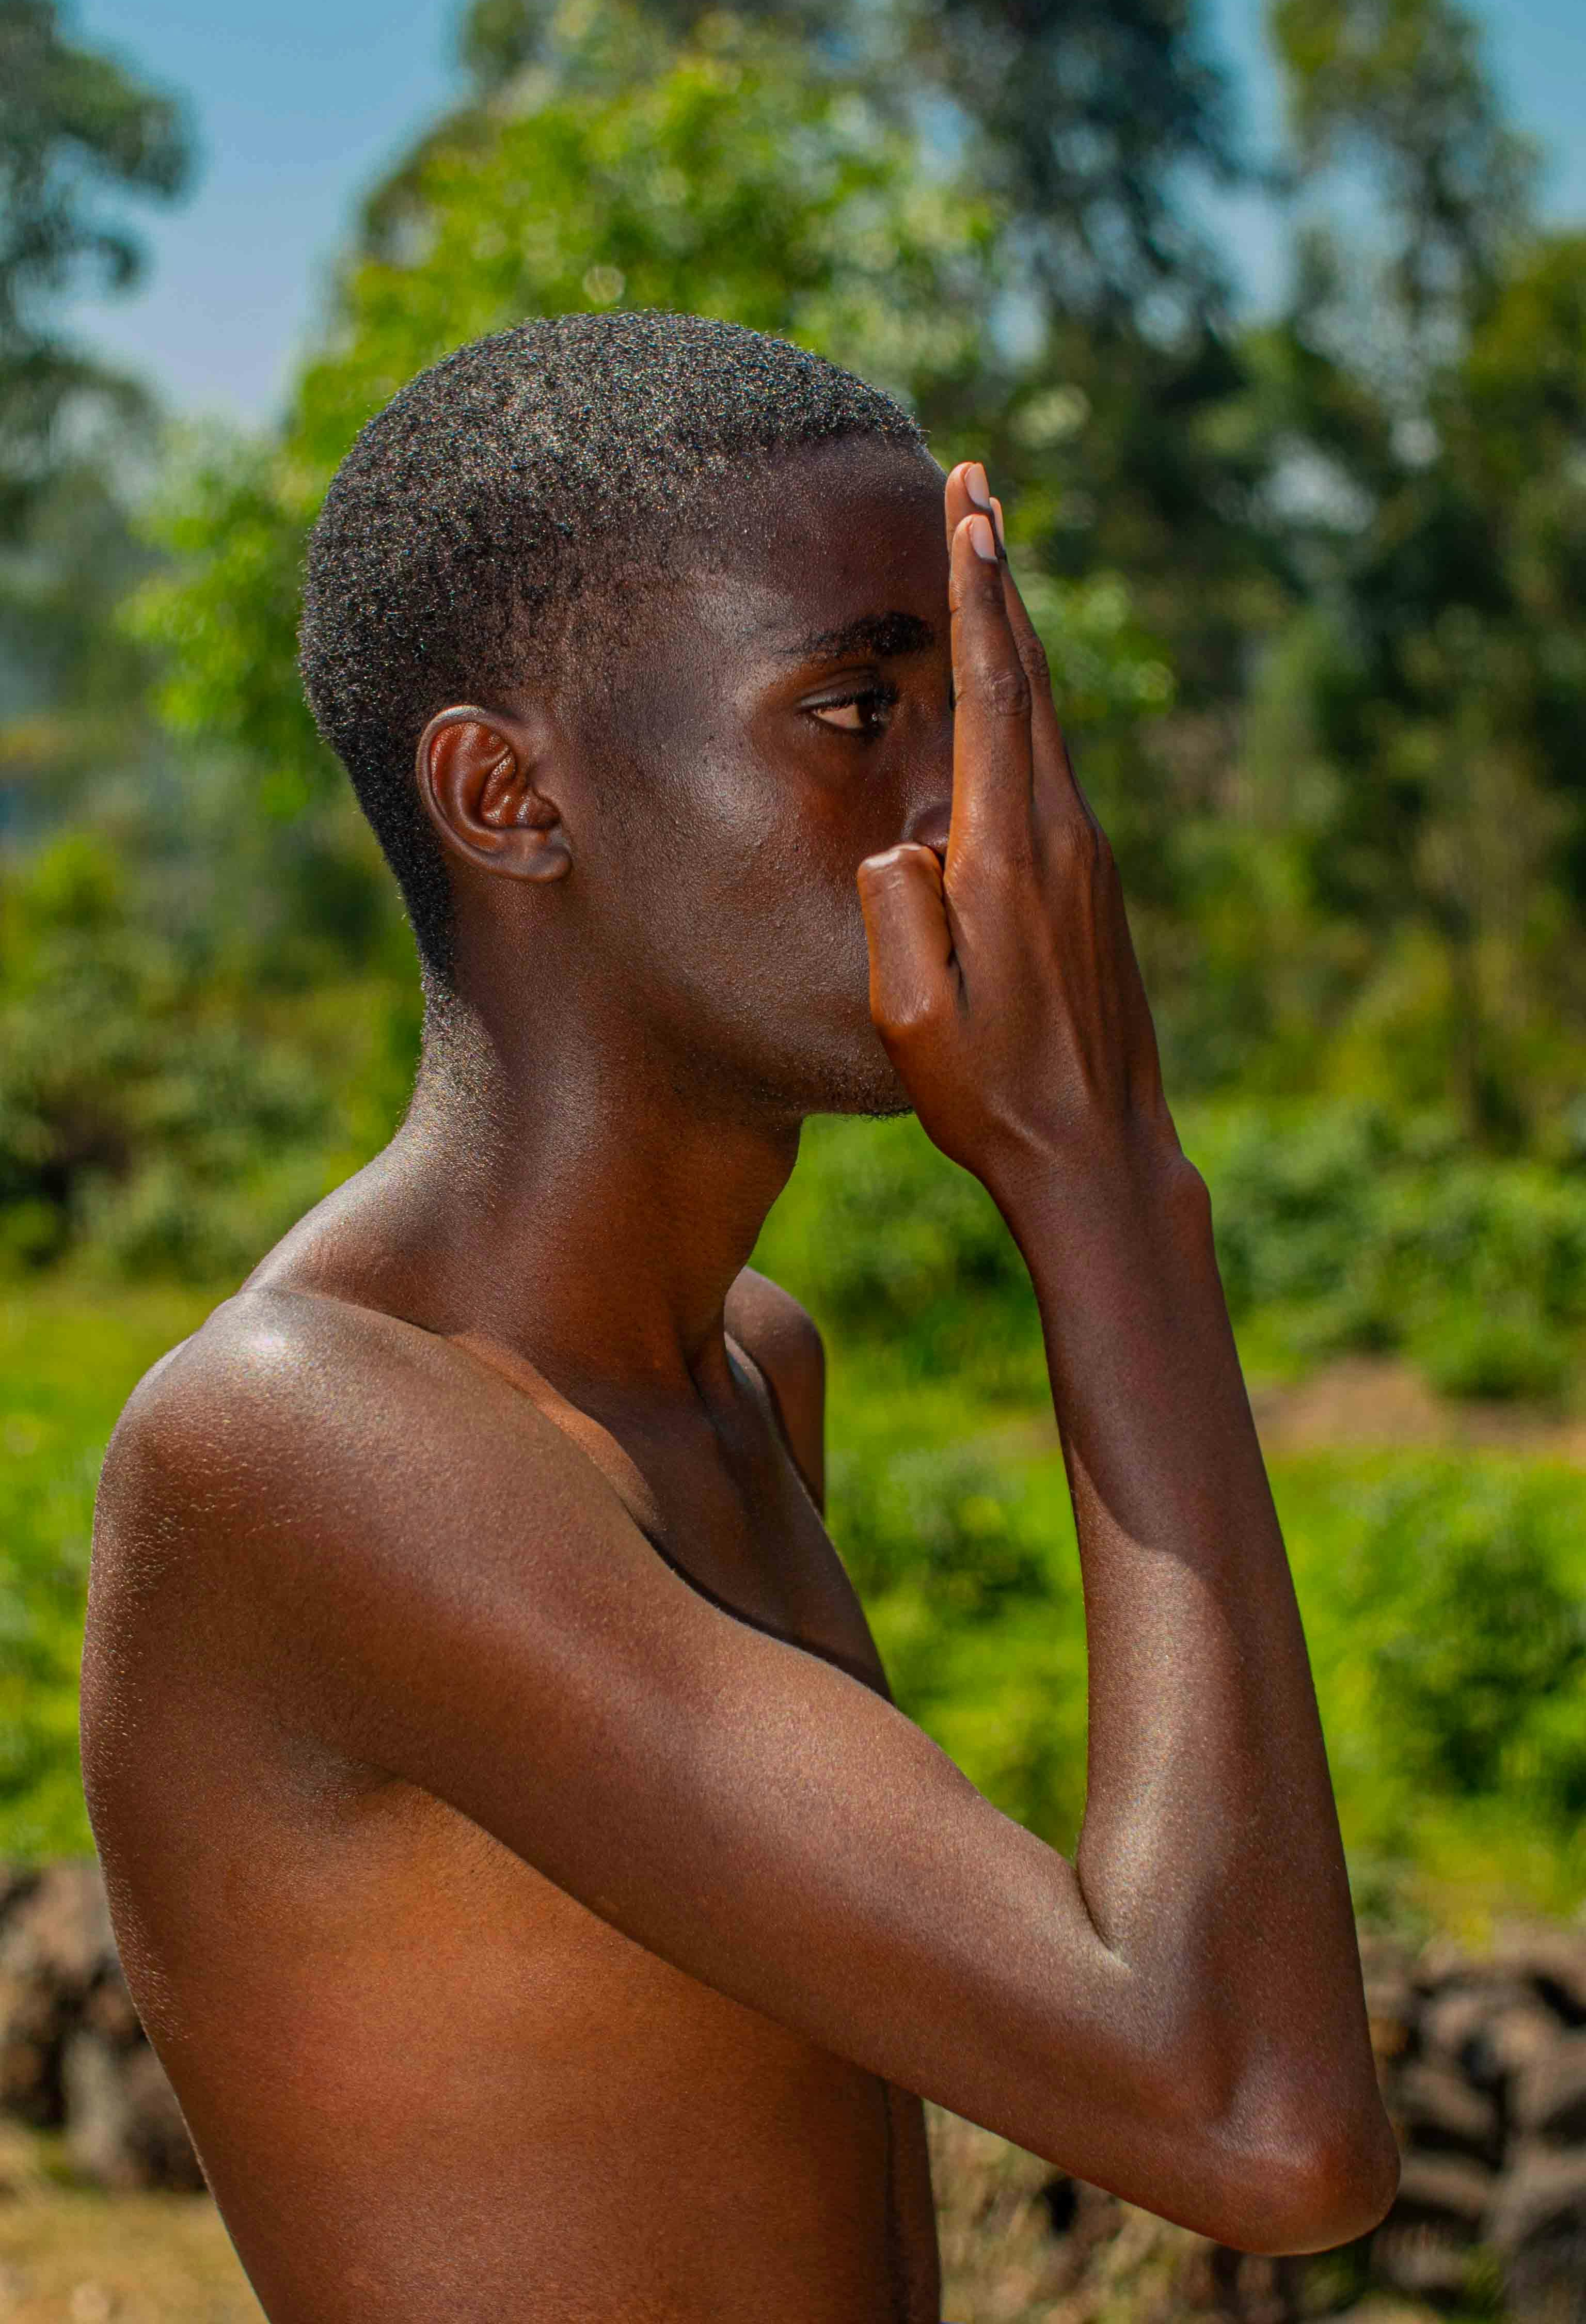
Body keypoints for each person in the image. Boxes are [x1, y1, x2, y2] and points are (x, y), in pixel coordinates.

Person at [82, 312, 1397, 2324]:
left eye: (978, 699)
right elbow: (1255, 2121)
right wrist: (1109, 1184)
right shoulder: (300, 1444)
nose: (973, 809)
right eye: (860, 710)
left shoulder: (747, 1369)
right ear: (507, 795)